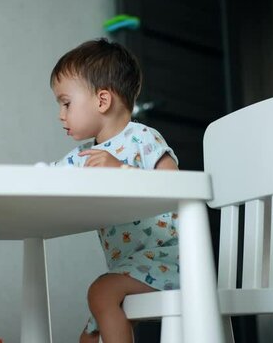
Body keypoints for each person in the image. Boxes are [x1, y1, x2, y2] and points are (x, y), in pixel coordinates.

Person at [50, 38, 180, 343]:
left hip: (170, 260)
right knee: (89, 337)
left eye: (66, 103)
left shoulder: (143, 139)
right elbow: (49, 179)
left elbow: (178, 189)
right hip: (128, 267)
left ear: (102, 101)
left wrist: (120, 169)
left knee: (100, 292)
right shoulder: (83, 156)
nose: (60, 114)